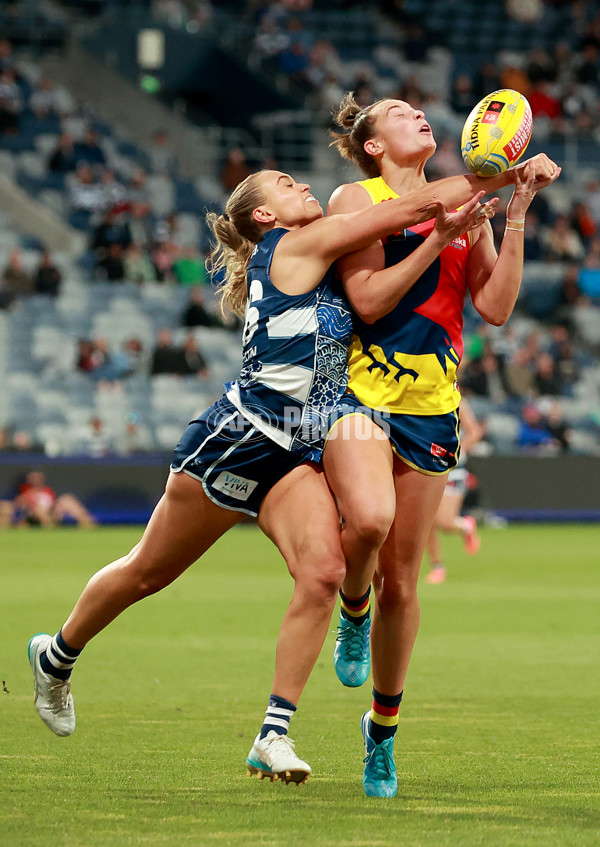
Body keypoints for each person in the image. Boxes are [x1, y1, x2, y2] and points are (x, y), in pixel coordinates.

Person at [27, 163, 532, 787]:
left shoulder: (331, 255)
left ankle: (273, 734)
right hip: (239, 440)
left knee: (322, 571)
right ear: (265, 216)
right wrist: (496, 173)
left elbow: (393, 281)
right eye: (286, 186)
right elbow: (401, 210)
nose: (303, 186)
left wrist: (464, 231)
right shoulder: (293, 244)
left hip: (297, 450)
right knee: (147, 572)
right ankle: (56, 656)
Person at [324, 92, 560, 798]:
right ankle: (352, 610)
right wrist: (443, 228)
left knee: (406, 580)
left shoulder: (464, 205)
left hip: (432, 407)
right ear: (373, 144)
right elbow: (368, 302)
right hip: (361, 394)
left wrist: (513, 212)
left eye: (419, 110)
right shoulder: (353, 198)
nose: (419, 115)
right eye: (398, 112)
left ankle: (382, 732)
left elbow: (493, 306)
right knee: (366, 522)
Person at [425, 399, 484, 584]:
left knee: (444, 522)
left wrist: (457, 453)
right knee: (426, 522)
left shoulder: (455, 398)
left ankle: (465, 526)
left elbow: (474, 432)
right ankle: (437, 567)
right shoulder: (417, 396)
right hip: (425, 464)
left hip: (453, 469)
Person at [13, 471, 95, 528]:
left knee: (67, 499)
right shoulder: (27, 491)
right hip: (35, 516)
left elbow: (53, 502)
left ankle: (86, 522)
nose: (36, 480)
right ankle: (50, 528)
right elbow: (20, 504)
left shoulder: (47, 490)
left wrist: (55, 509)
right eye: (34, 478)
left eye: (38, 478)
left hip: (51, 512)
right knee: (39, 509)